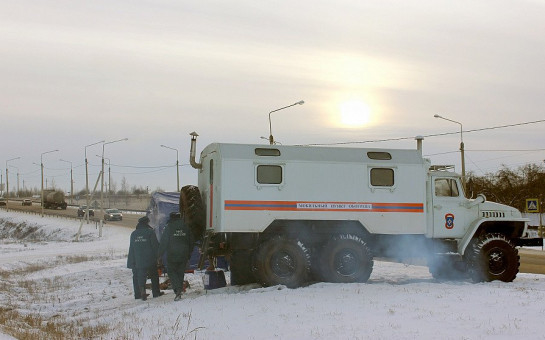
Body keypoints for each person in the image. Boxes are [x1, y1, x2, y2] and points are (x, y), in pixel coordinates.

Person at [158, 211, 193, 301]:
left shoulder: (169, 227)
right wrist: (189, 253)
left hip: (172, 254)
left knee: (172, 272)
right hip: (184, 254)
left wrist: (159, 255)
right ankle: (179, 289)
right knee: (180, 273)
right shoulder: (186, 227)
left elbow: (164, 243)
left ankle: (177, 290)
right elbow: (191, 242)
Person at [127, 216, 163, 300]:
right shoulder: (150, 232)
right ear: (146, 223)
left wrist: (132, 261)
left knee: (138, 276)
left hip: (138, 260)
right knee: (154, 275)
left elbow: (131, 248)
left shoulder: (134, 233)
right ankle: (156, 292)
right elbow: (155, 246)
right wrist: (158, 257)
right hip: (149, 259)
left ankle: (139, 293)